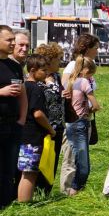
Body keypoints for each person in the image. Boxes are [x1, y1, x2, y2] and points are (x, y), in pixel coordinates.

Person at [16, 55, 55, 203]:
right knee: (30, 173)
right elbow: (38, 114)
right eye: (43, 70)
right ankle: (25, 204)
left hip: (22, 133)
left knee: (25, 172)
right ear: (33, 70)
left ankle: (22, 201)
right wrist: (51, 129)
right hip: (33, 136)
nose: (46, 73)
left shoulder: (23, 85)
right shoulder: (36, 89)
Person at [62, 56, 99, 195]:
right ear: (85, 70)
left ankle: (71, 189)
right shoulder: (83, 81)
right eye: (90, 74)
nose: (90, 77)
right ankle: (74, 190)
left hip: (70, 123)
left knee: (74, 158)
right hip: (81, 122)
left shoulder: (68, 81)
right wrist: (89, 109)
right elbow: (95, 105)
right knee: (84, 165)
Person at [0, 25, 26, 207]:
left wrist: (22, 119)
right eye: (8, 40)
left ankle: (6, 203)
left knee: (10, 167)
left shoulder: (14, 66)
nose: (12, 43)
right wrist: (1, 92)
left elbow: (23, 94)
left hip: (13, 124)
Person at [33, 43, 64, 195]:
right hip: (45, 126)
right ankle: (38, 192)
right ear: (50, 60)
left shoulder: (57, 76)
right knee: (42, 160)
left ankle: (46, 192)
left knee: (53, 159)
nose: (61, 62)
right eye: (58, 59)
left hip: (58, 125)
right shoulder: (39, 79)